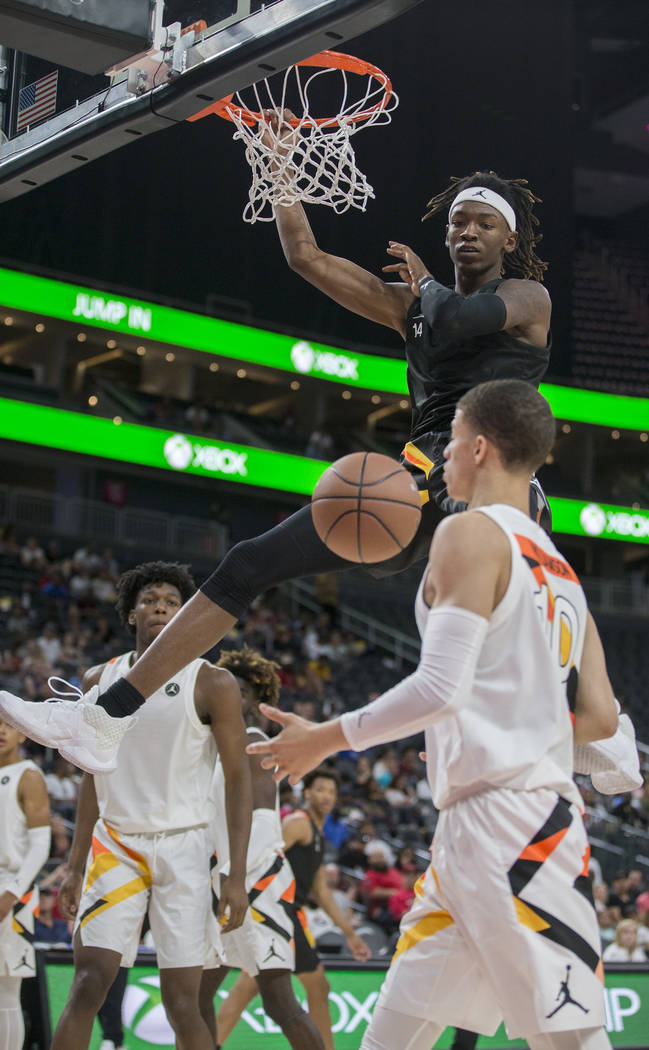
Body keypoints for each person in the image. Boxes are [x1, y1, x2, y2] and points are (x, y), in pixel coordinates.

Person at [1, 169, 562, 771]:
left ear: (509, 239)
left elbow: (461, 318)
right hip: (417, 477)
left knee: (508, 611)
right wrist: (281, 175)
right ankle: (104, 718)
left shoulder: (528, 298)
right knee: (248, 563)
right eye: (458, 221)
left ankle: (581, 720)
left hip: (493, 476)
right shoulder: (414, 307)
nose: (468, 232)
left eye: (485, 223)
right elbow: (305, 257)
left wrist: (424, 281)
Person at [247, 380, 625, 1050]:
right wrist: (491, 734)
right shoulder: (562, 571)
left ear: (478, 448)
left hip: (514, 829)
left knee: (568, 1038)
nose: (442, 456)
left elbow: (440, 687)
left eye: (448, 441)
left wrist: (325, 739)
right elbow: (597, 717)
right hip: (483, 823)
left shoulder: (467, 533)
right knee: (394, 1034)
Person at [50, 561, 252, 1050]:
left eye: (172, 602)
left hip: (184, 847)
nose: (161, 606)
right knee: (87, 984)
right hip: (114, 845)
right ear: (130, 614)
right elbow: (90, 774)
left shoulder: (213, 683)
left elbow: (239, 778)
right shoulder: (99, 678)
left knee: (184, 1005)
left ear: (187, 617)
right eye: (150, 600)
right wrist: (74, 865)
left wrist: (236, 875)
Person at [199, 645, 324, 1050]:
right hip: (228, 882)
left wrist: (230, 882)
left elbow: (261, 822)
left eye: (235, 690)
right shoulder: (219, 747)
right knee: (196, 993)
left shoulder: (252, 741)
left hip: (255, 883)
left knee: (279, 1002)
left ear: (257, 702)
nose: (225, 696)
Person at [215, 766, 370, 1050]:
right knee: (315, 986)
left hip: (282, 916)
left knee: (250, 989)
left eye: (332, 792)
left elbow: (321, 890)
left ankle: (208, 1044)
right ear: (307, 793)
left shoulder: (318, 835)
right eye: (321, 790)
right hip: (274, 913)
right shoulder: (298, 823)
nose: (327, 796)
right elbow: (264, 855)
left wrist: (350, 933)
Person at [0, 717, 51, 1050]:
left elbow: (41, 846)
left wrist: (12, 893)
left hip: (11, 887)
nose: (1, 731)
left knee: (6, 991)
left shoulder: (29, 775)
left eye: (7, 724)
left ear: (22, 731)